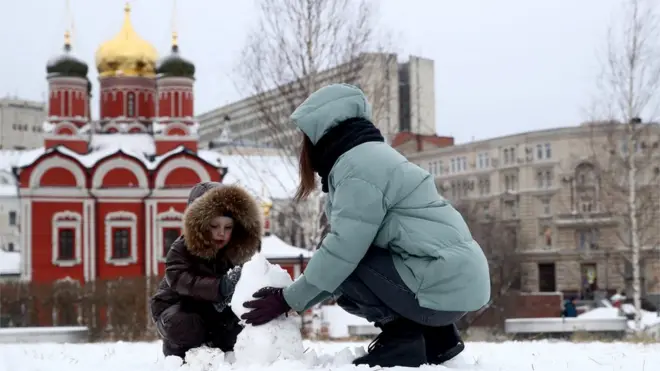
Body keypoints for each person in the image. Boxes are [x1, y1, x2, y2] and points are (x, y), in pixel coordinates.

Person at [239, 83, 491, 368]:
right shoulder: (369, 156)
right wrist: (296, 299)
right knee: (342, 269)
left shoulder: (357, 167)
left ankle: (402, 340)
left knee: (346, 261)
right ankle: (438, 338)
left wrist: (286, 299)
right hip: (455, 283)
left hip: (441, 283)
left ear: (319, 132)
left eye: (304, 137)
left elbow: (344, 252)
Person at [149, 181, 263, 359]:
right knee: (185, 325)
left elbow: (253, 278)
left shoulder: (238, 251)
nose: (221, 233)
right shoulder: (182, 248)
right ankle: (178, 354)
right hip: (180, 305)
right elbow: (179, 278)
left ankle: (221, 350)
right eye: (214, 226)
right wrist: (219, 287)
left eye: (228, 227)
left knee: (240, 329)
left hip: (217, 311)